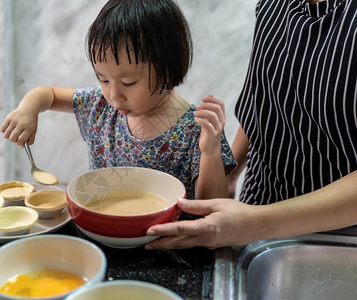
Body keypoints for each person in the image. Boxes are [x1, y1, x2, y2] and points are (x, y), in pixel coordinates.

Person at [145, 0, 357, 250]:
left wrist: (256, 223)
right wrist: (230, 170)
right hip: (258, 201)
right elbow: (268, 92)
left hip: (337, 242)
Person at [0, 0, 236, 200]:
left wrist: (210, 152)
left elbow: (211, 207)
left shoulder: (195, 130)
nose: (114, 95)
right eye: (102, 79)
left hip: (167, 249)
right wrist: (28, 107)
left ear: (168, 68)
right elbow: (48, 95)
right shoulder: (100, 107)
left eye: (128, 83)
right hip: (103, 236)